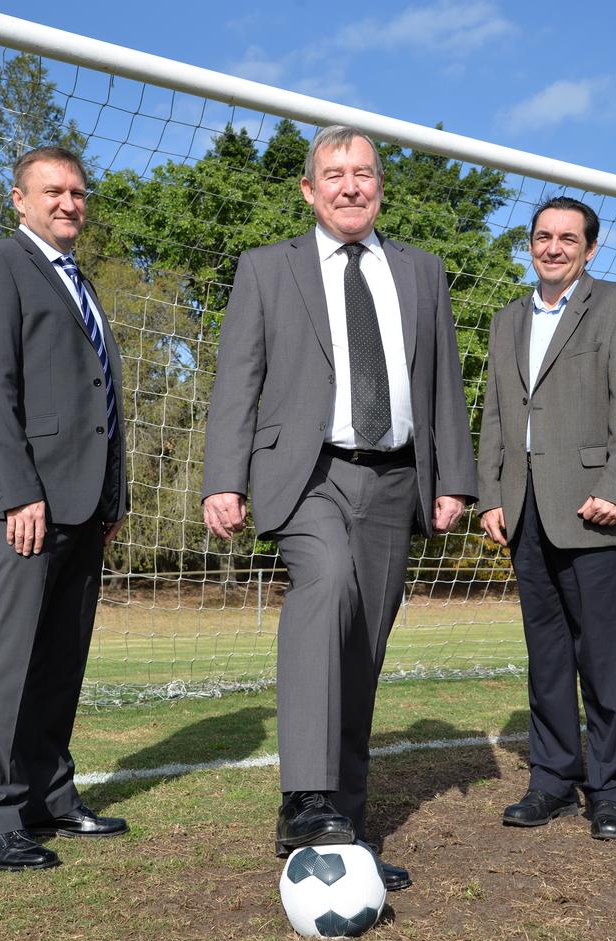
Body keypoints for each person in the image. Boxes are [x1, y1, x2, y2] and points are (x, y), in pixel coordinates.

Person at [202, 125, 476, 889]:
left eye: (363, 173)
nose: (350, 186)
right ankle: (307, 800)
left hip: (395, 481)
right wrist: (222, 478)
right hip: (307, 474)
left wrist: (453, 476)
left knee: (362, 652)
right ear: (308, 189)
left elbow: (444, 382)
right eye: (334, 174)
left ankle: (342, 834)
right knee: (324, 588)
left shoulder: (422, 271)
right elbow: (237, 381)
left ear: (380, 185)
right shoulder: (266, 269)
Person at [0, 146, 128, 871]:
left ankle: (50, 796)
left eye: (77, 191)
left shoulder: (81, 282)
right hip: (25, 506)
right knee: (4, 666)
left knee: (60, 663)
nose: (69, 202)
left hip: (84, 504)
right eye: (53, 191)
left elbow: (100, 398)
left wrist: (114, 493)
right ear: (18, 199)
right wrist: (17, 491)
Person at [478, 196, 616, 840]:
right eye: (543, 236)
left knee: (607, 657)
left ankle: (613, 788)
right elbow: (493, 413)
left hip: (597, 509)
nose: (553, 247)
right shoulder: (506, 319)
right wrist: (490, 493)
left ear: (590, 249)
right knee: (544, 654)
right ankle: (550, 777)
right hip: (525, 511)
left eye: (568, 238)